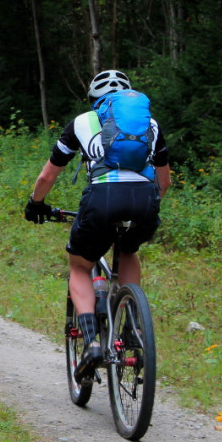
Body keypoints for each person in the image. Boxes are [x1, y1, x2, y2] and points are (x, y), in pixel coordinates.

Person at [24, 69, 171, 379]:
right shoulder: (151, 124)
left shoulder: (81, 122)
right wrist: (145, 203)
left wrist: (36, 203)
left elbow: (48, 175)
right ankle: (131, 324)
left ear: (94, 100)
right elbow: (164, 181)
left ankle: (91, 342)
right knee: (128, 251)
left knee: (79, 265)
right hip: (145, 198)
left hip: (102, 196)